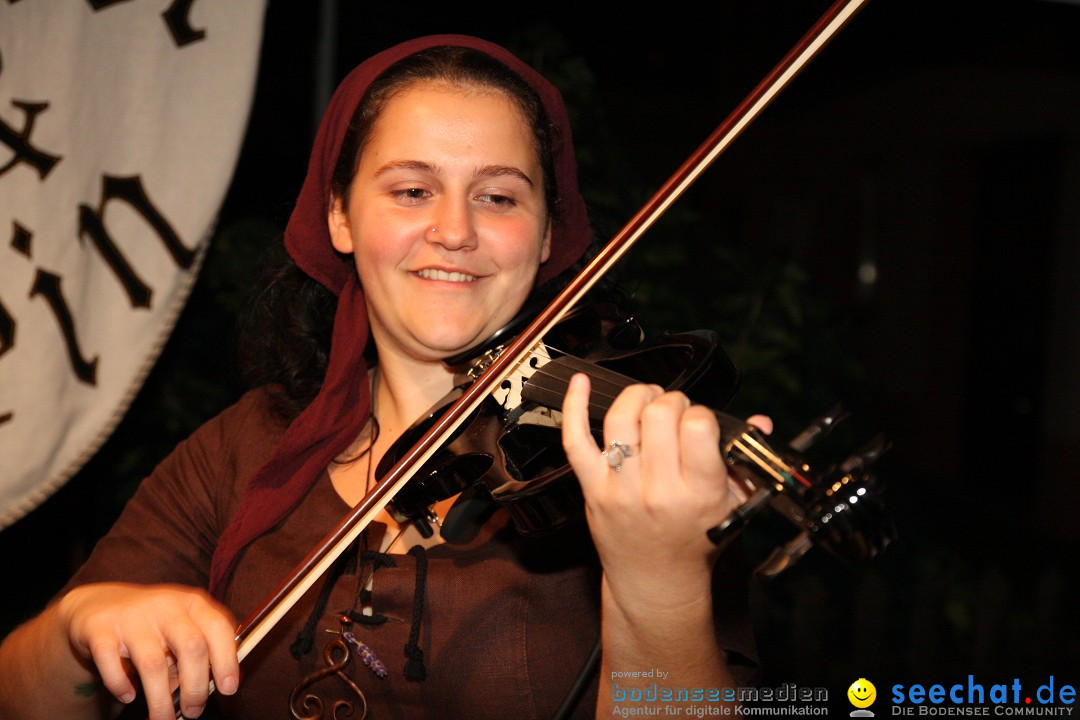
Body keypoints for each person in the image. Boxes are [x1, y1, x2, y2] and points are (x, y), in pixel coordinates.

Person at [0, 35, 761, 720]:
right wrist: (77, 628)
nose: (455, 231)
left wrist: (659, 585)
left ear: (547, 238)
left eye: (498, 196)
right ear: (340, 217)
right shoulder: (246, 445)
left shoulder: (629, 468)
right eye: (411, 190)